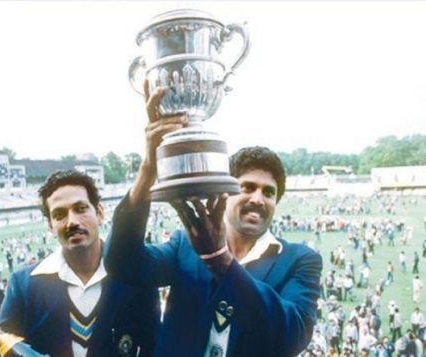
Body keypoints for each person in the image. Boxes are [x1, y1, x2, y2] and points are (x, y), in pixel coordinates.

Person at [104, 84, 323, 356]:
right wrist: (149, 168)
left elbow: (291, 336)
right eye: (248, 187)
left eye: (269, 192)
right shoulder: (185, 245)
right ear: (226, 190)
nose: (258, 198)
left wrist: (220, 259)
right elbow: (122, 264)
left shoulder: (299, 260)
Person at [0, 170, 159, 356]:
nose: (72, 222)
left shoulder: (136, 276)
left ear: (99, 213)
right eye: (59, 215)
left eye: (80, 209)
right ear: (50, 225)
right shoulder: (23, 285)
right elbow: (1, 351)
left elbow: (153, 348)